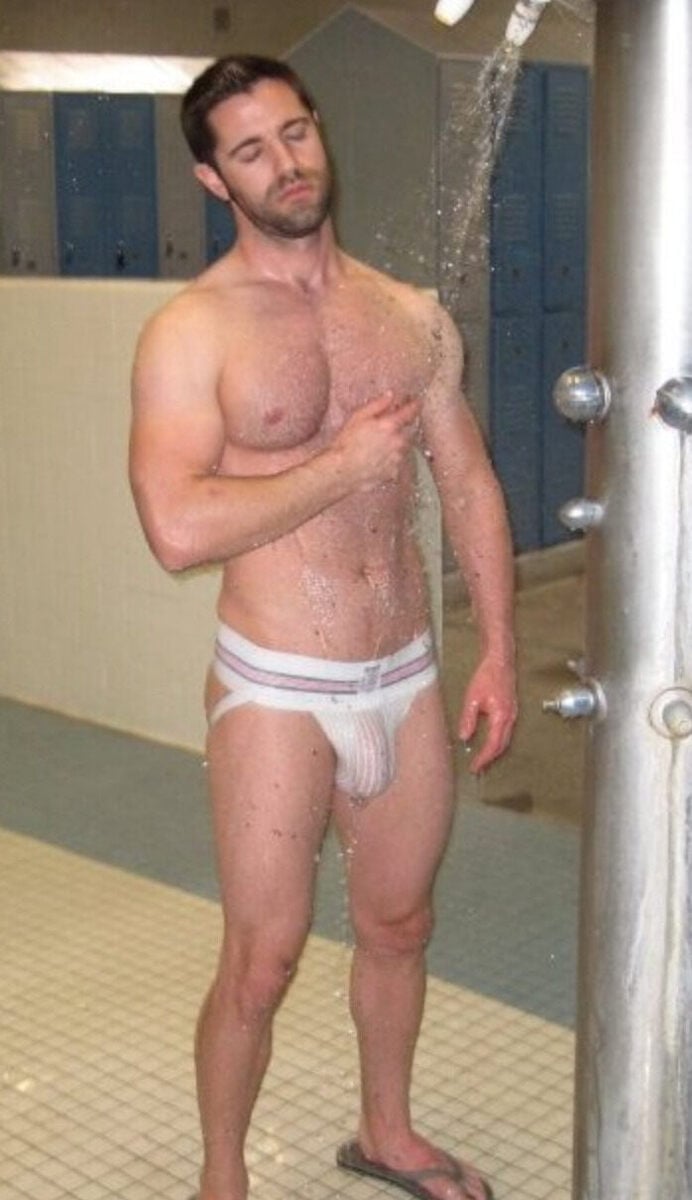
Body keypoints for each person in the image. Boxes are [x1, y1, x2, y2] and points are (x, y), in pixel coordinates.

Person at [129, 54, 517, 1200]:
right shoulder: (192, 330)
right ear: (214, 179)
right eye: (250, 150)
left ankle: (385, 1133)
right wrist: (338, 467)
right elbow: (176, 528)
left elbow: (467, 483)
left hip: (402, 673)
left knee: (399, 923)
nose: (285, 163)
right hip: (277, 685)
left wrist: (497, 647)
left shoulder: (405, 313)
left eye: (294, 132)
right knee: (262, 958)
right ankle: (222, 1179)